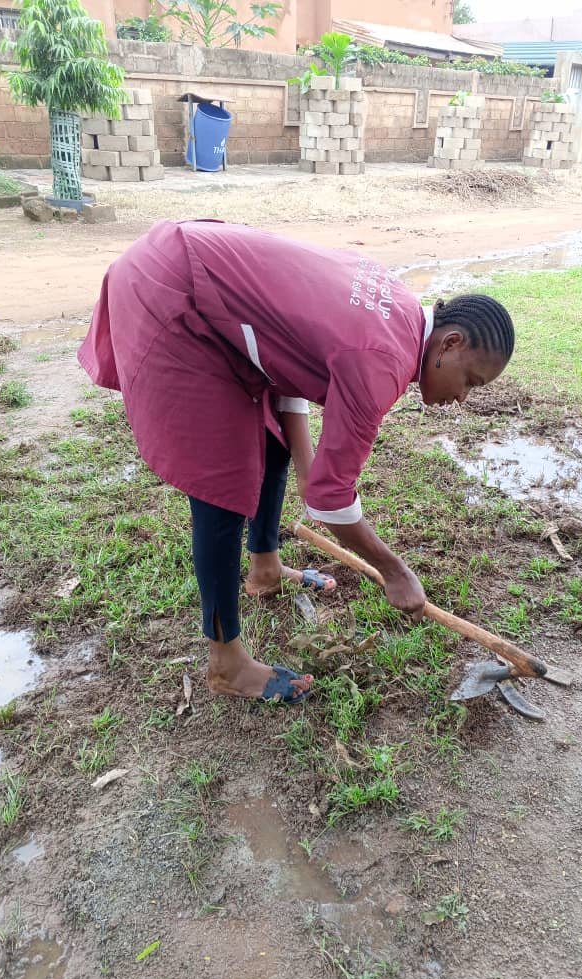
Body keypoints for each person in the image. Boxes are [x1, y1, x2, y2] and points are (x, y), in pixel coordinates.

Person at [79, 220, 515, 705]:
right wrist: (393, 569)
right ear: (450, 344)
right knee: (221, 485)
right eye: (471, 382)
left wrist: (307, 462)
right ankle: (226, 662)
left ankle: (264, 569)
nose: (462, 398)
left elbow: (288, 355)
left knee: (273, 437)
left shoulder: (399, 308)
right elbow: (332, 503)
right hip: (174, 292)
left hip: (193, 267)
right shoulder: (381, 362)